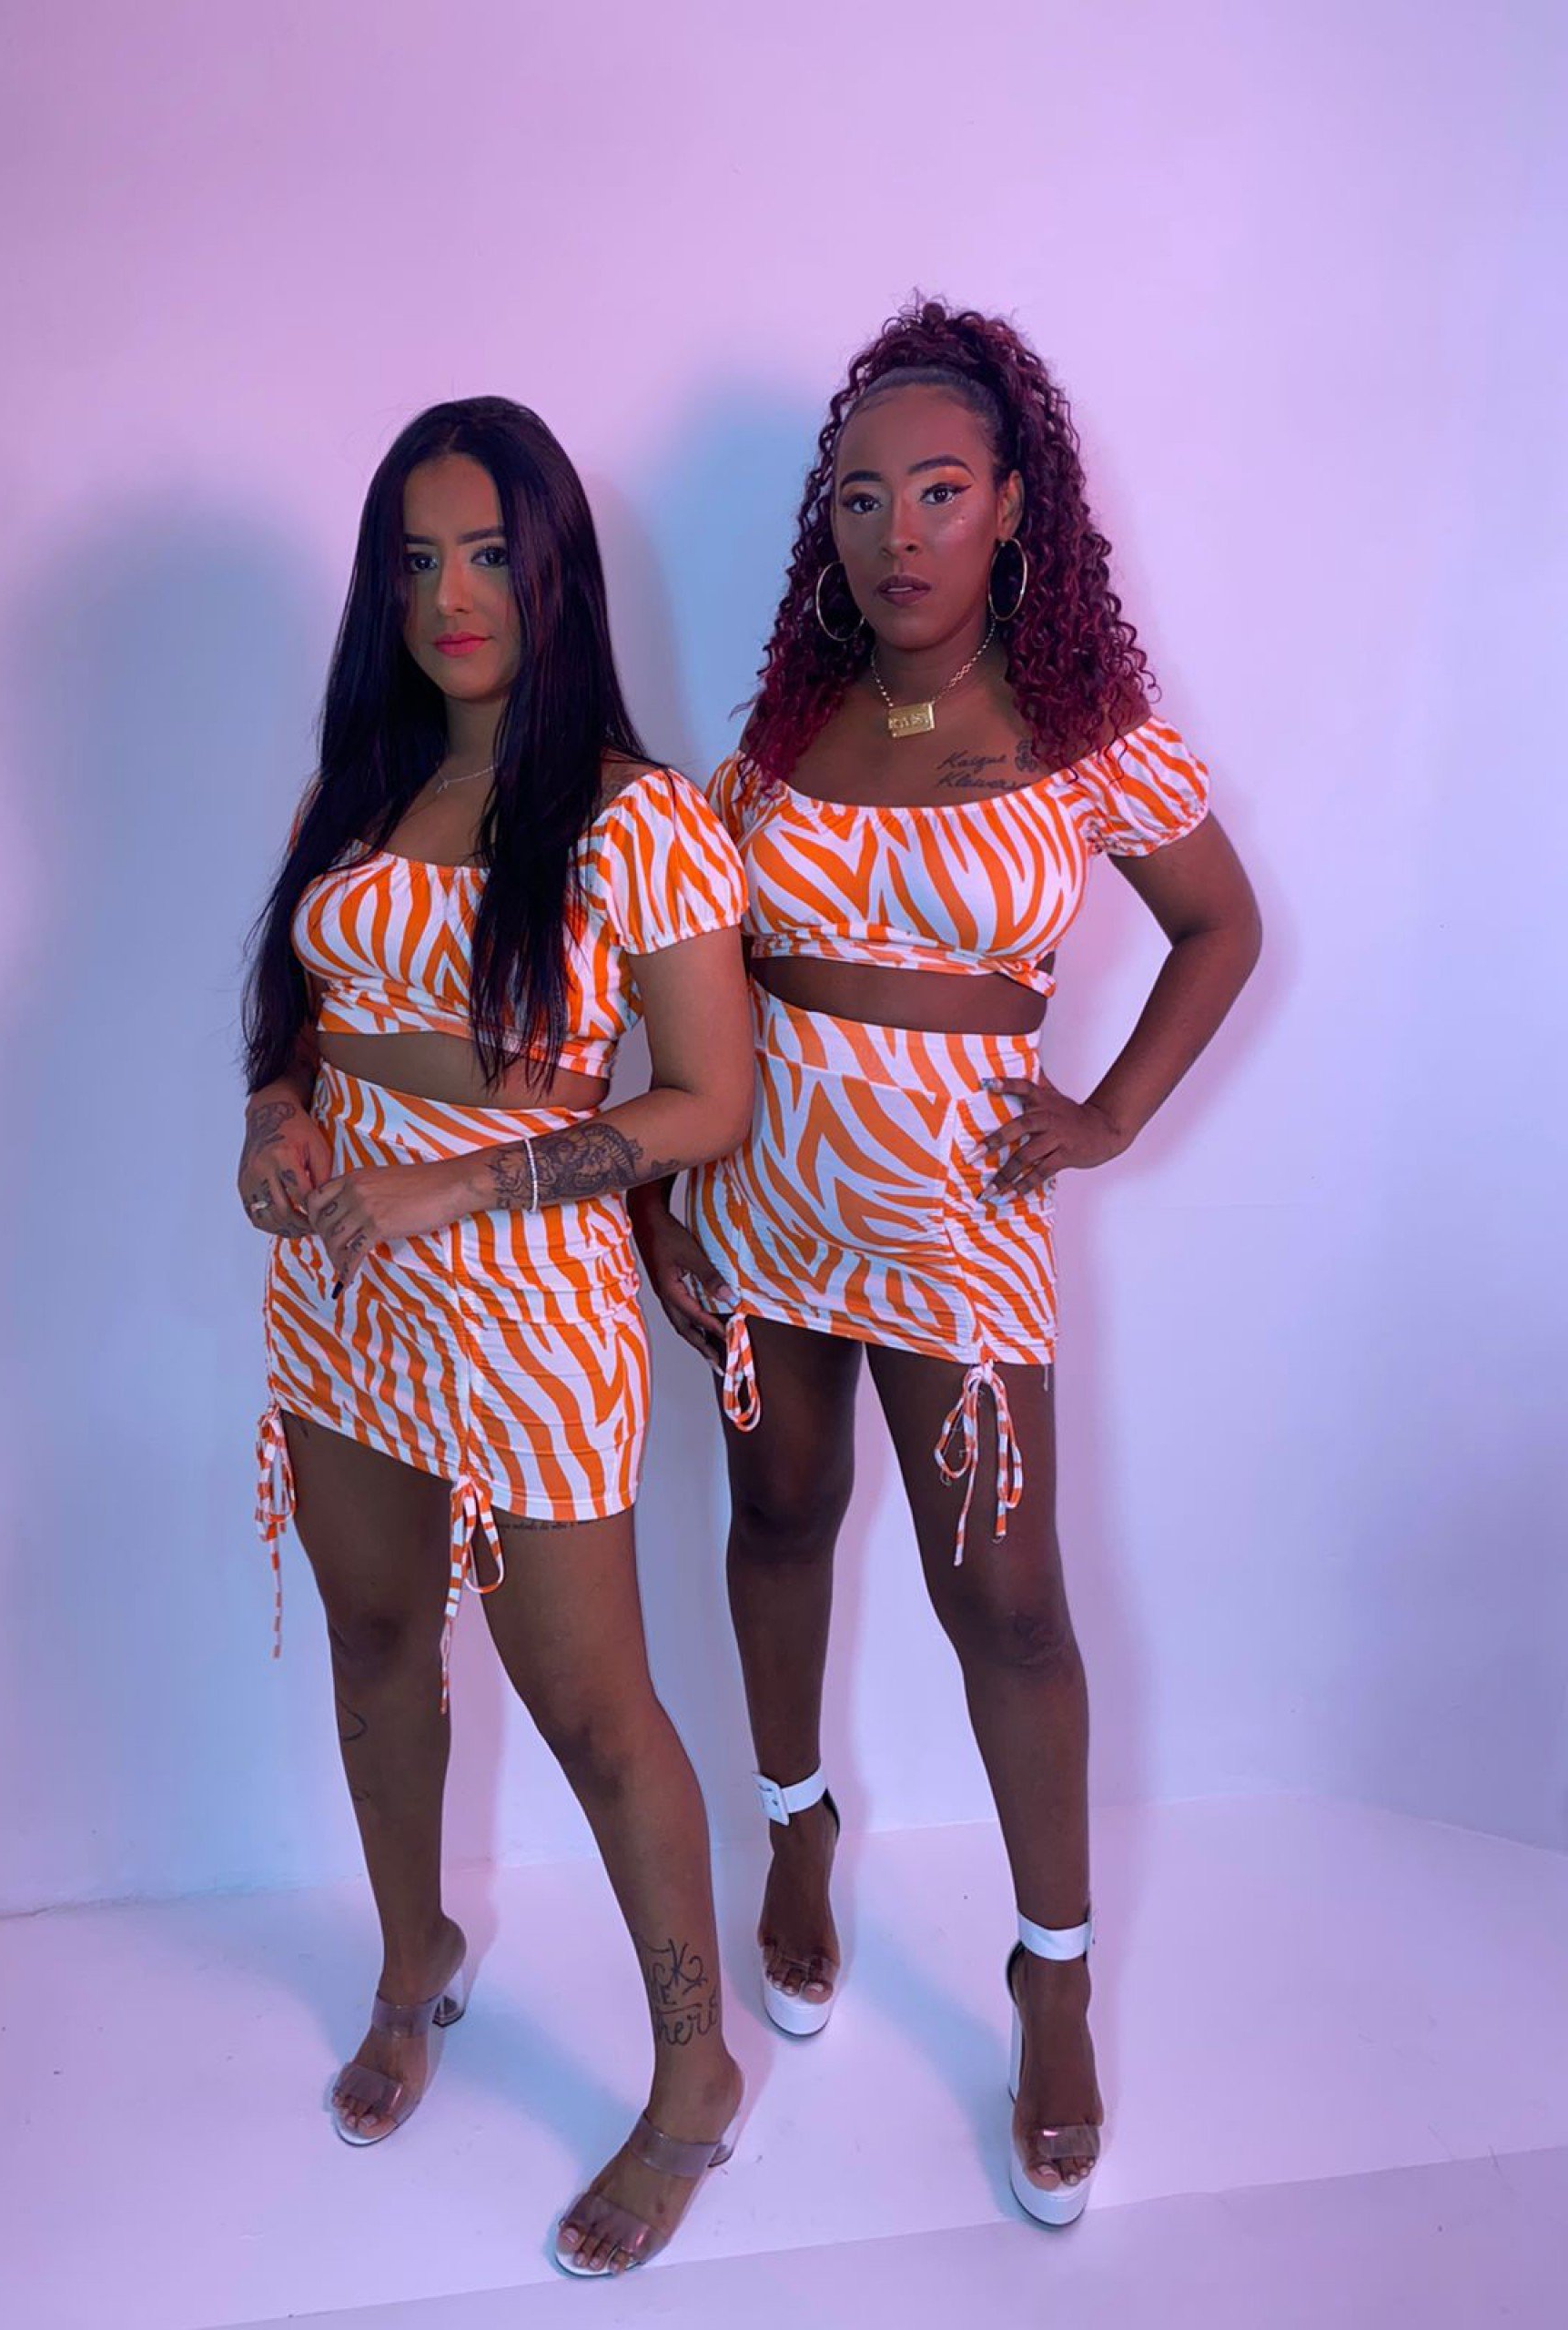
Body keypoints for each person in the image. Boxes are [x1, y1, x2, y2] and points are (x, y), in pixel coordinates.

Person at [631, 302, 1262, 2227]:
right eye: (859, 499)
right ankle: (798, 1830)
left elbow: (1222, 926)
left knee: (1011, 1603)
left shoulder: (1086, 735)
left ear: (1011, 508)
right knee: (778, 1515)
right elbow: (690, 961)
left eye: (937, 491)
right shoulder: (778, 738)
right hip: (765, 1206)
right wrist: (659, 1189)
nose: (896, 533)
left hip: (958, 1235)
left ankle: (1051, 1977)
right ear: (825, 525)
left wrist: (1110, 1111)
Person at [239, 397, 754, 2274]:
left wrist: (457, 1185)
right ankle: (416, 1959)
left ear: (553, 574)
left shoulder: (636, 815)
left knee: (594, 1707)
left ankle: (693, 2075)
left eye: (484, 555)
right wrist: (273, 1120)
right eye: (414, 559)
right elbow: (299, 1020)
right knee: (376, 1635)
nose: (448, 596)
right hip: (343, 1291)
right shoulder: (359, 789)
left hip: (531, 1304)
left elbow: (708, 1099)